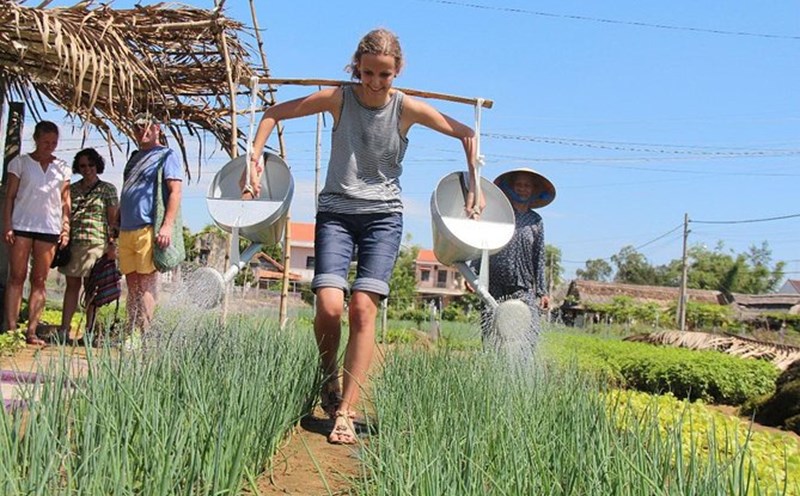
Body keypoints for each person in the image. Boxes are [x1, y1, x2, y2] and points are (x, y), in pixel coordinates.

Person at [243, 28, 482, 444]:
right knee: (331, 306)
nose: (374, 82)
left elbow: (467, 133)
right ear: (357, 67)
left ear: (397, 72)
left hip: (383, 218)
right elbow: (272, 115)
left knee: (362, 309)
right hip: (336, 212)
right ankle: (328, 378)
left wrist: (476, 186)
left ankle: (347, 412)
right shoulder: (339, 98)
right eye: (367, 72)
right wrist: (254, 161)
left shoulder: (406, 109)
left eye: (384, 75)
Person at [2, 121, 71, 346]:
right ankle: (11, 329)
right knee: (17, 276)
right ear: (36, 140)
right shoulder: (20, 163)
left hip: (48, 228)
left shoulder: (62, 167)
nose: (49, 146)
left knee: (39, 279)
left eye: (53, 143)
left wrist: (66, 226)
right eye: (45, 142)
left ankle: (32, 331)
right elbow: (10, 196)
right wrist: (7, 224)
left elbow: (65, 201)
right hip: (21, 224)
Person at [118, 113, 182, 336]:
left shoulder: (166, 155)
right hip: (126, 228)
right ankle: (130, 332)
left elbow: (175, 191)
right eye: (136, 127)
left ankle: (145, 335)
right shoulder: (135, 156)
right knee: (132, 284)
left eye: (145, 127)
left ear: (157, 129)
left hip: (147, 227)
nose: (140, 131)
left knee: (146, 283)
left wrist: (167, 226)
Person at [481, 168, 555, 340]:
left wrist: (542, 291)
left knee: (527, 331)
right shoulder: (500, 215)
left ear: (533, 190)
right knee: (492, 330)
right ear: (511, 188)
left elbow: (539, 256)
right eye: (519, 185)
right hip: (495, 283)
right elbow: (484, 243)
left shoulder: (536, 221)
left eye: (527, 186)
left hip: (523, 285)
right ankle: (490, 365)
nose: (522, 189)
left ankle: (523, 364)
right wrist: (476, 272)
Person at [59, 148, 119, 340]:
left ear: (97, 165)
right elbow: (65, 214)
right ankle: (64, 329)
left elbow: (113, 220)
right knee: (72, 287)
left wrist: (112, 245)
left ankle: (90, 330)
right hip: (75, 244)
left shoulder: (108, 189)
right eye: (83, 166)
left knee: (92, 290)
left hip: (97, 245)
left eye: (91, 165)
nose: (87, 169)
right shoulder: (72, 189)